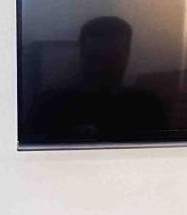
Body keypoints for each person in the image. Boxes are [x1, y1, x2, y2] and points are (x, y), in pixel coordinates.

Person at [26, 16, 168, 144]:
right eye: (95, 58)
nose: (103, 67)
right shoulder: (48, 106)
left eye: (112, 58)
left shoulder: (149, 107)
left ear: (127, 55)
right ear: (81, 55)